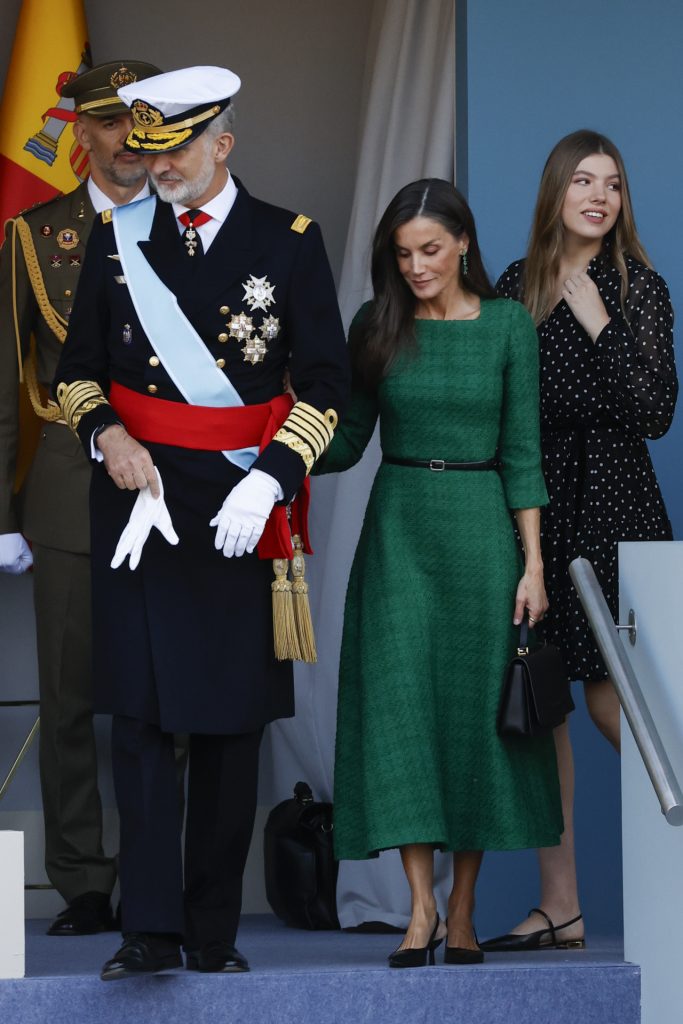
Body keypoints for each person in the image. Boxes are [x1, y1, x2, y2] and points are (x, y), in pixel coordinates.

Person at [54, 65, 349, 980]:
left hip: (238, 508)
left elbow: (329, 384)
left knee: (227, 727)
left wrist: (269, 480)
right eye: (146, 150)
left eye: (175, 148)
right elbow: (76, 374)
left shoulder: (287, 241)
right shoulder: (115, 241)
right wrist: (105, 437)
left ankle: (212, 933)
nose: (157, 167)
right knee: (140, 723)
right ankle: (148, 930)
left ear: (223, 144)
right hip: (140, 508)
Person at [314, 178, 563, 967]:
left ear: (462, 242)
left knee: (469, 725)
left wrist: (533, 566)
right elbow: (348, 440)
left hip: (482, 537)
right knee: (401, 717)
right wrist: (256, 443)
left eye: (429, 250)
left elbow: (523, 453)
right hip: (399, 538)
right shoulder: (376, 323)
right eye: (402, 254)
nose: (416, 267)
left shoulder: (507, 327)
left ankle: (461, 910)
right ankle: (418, 909)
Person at [482, 130, 678, 952]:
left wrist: (599, 321)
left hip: (617, 501)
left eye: (614, 184)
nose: (599, 195)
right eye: (583, 181)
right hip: (533, 507)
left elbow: (653, 414)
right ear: (555, 192)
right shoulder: (512, 286)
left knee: (621, 702)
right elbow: (498, 412)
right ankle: (558, 905)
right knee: (542, 709)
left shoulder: (640, 286)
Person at [0, 59, 160, 936]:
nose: (128, 139)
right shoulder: (35, 236)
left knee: (172, 694)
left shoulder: (197, 224)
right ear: (82, 134)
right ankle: (85, 884)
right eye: (109, 123)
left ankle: (158, 879)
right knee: (67, 700)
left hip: (180, 484)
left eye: (143, 121)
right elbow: (0, 388)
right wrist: (0, 515)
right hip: (67, 489)